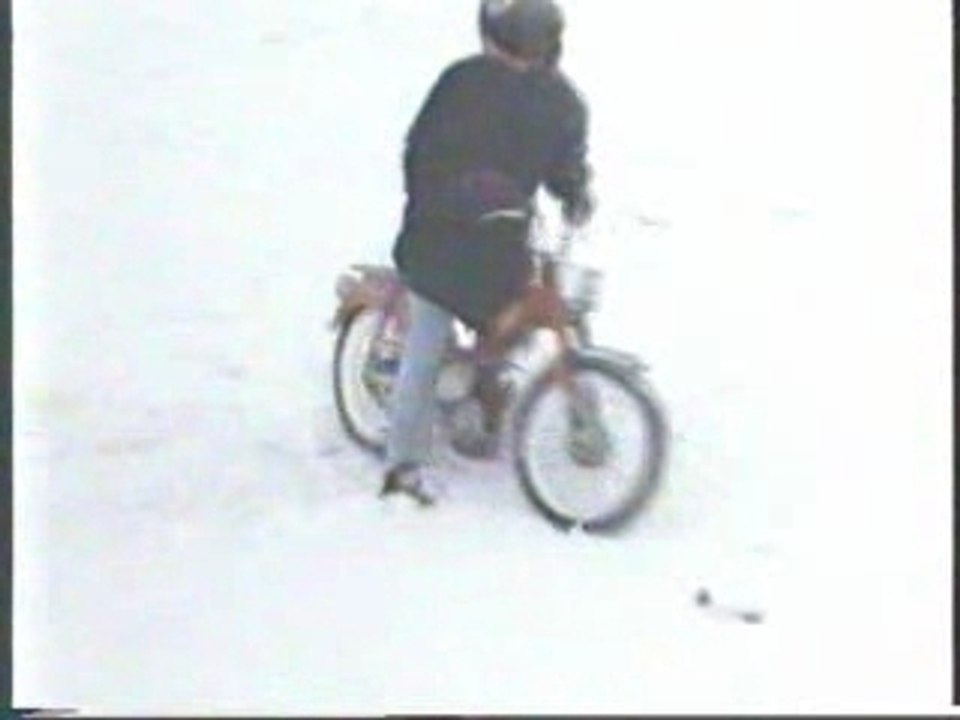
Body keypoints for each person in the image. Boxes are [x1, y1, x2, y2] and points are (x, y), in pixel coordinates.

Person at [381, 0, 595, 505]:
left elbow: (565, 162)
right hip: (443, 239)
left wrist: (575, 192)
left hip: (502, 236)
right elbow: (422, 157)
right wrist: (461, 193)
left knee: (516, 319)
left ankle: (486, 400)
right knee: (425, 351)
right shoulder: (464, 86)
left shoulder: (559, 102)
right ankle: (401, 464)